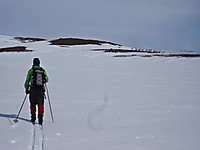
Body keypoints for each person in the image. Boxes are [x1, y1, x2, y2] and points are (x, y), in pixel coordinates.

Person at [24, 58, 49, 125]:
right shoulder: (42, 70)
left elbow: (27, 80)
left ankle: (33, 118)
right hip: (40, 89)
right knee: (40, 103)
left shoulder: (31, 71)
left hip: (33, 89)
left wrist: (26, 88)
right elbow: (46, 79)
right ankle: (40, 116)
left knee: (33, 103)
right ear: (39, 63)